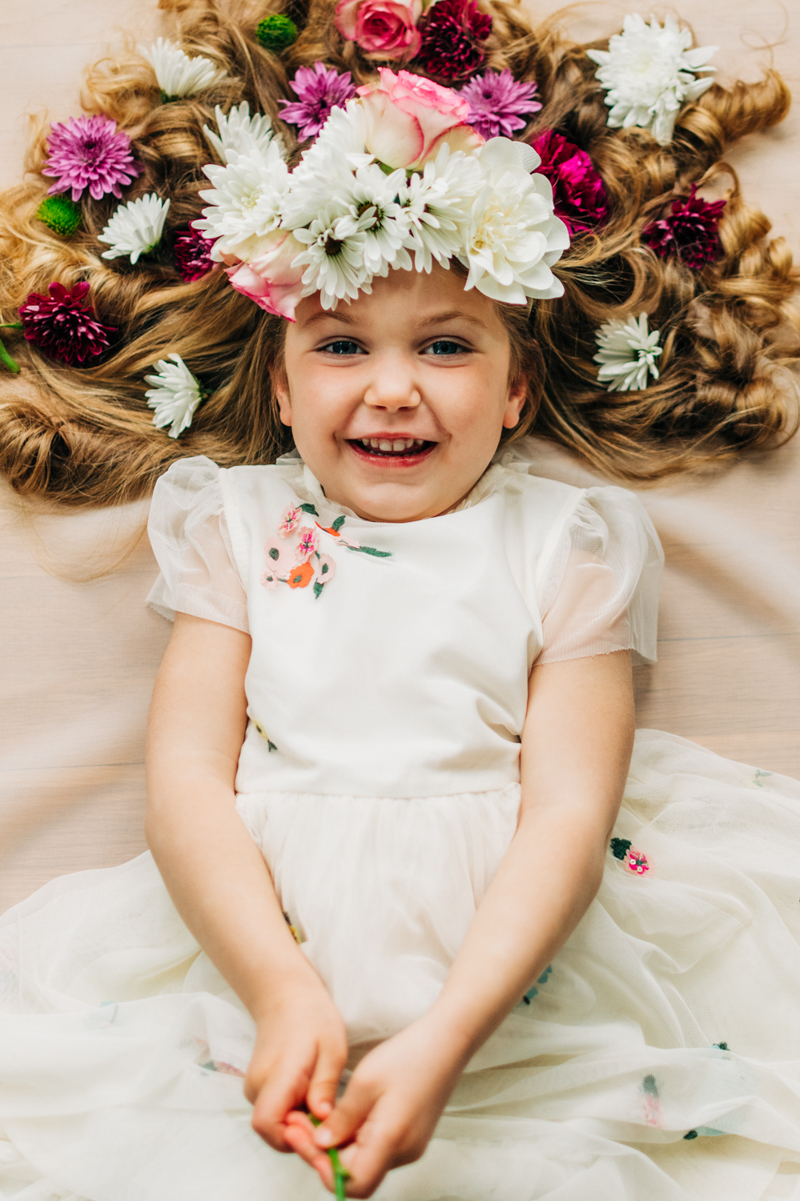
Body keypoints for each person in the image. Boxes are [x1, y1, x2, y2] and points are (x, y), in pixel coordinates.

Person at [1, 1, 800, 1198]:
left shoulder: (565, 543)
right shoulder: (236, 527)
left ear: (518, 390)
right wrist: (279, 988)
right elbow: (182, 786)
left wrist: (445, 1032)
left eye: (444, 346)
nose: (390, 391)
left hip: (510, 979)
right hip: (245, 955)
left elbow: (566, 816)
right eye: (337, 347)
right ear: (277, 385)